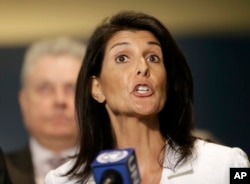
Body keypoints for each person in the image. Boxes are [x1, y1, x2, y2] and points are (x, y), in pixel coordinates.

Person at [45, 11, 250, 184]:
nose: (143, 67)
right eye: (122, 58)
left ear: (166, 81)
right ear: (97, 88)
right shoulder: (60, 181)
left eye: (153, 57)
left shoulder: (229, 164)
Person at [4, 37, 86, 184]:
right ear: (24, 102)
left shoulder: (113, 172)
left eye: (72, 88)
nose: (59, 100)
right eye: (45, 88)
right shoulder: (3, 170)